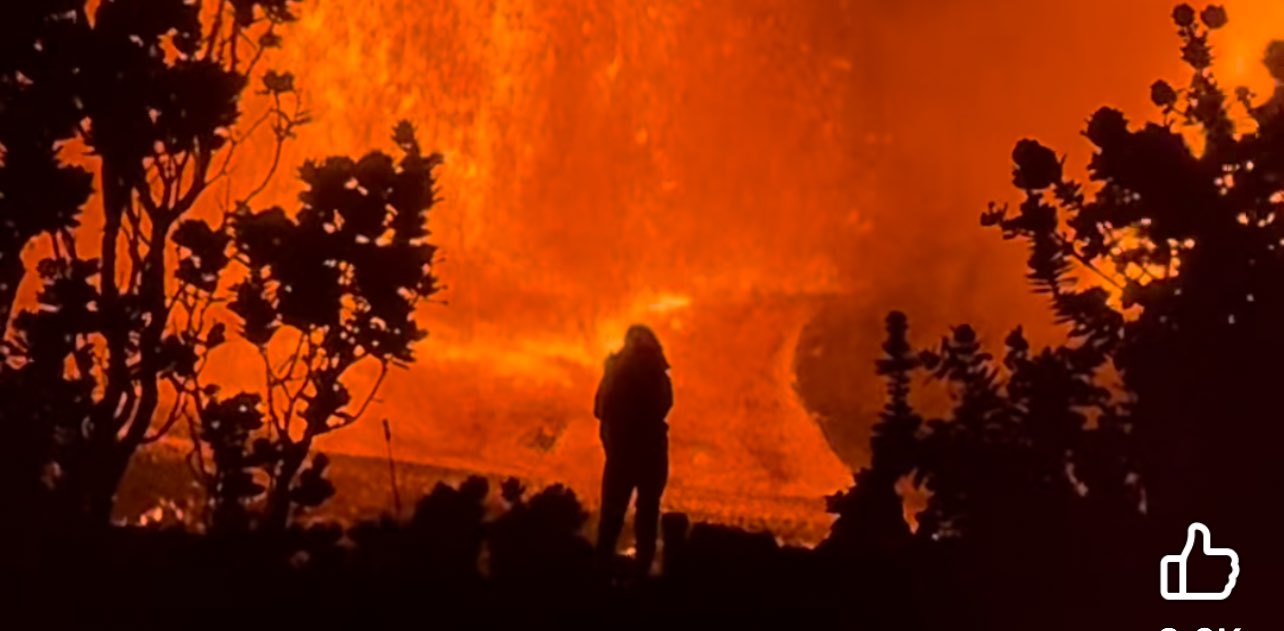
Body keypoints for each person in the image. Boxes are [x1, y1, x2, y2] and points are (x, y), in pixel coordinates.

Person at [593, 324, 673, 579]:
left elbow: (599, 408)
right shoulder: (658, 373)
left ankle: (601, 570)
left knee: (612, 513)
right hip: (650, 451)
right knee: (647, 513)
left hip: (621, 453)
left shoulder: (618, 370)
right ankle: (642, 570)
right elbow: (665, 404)